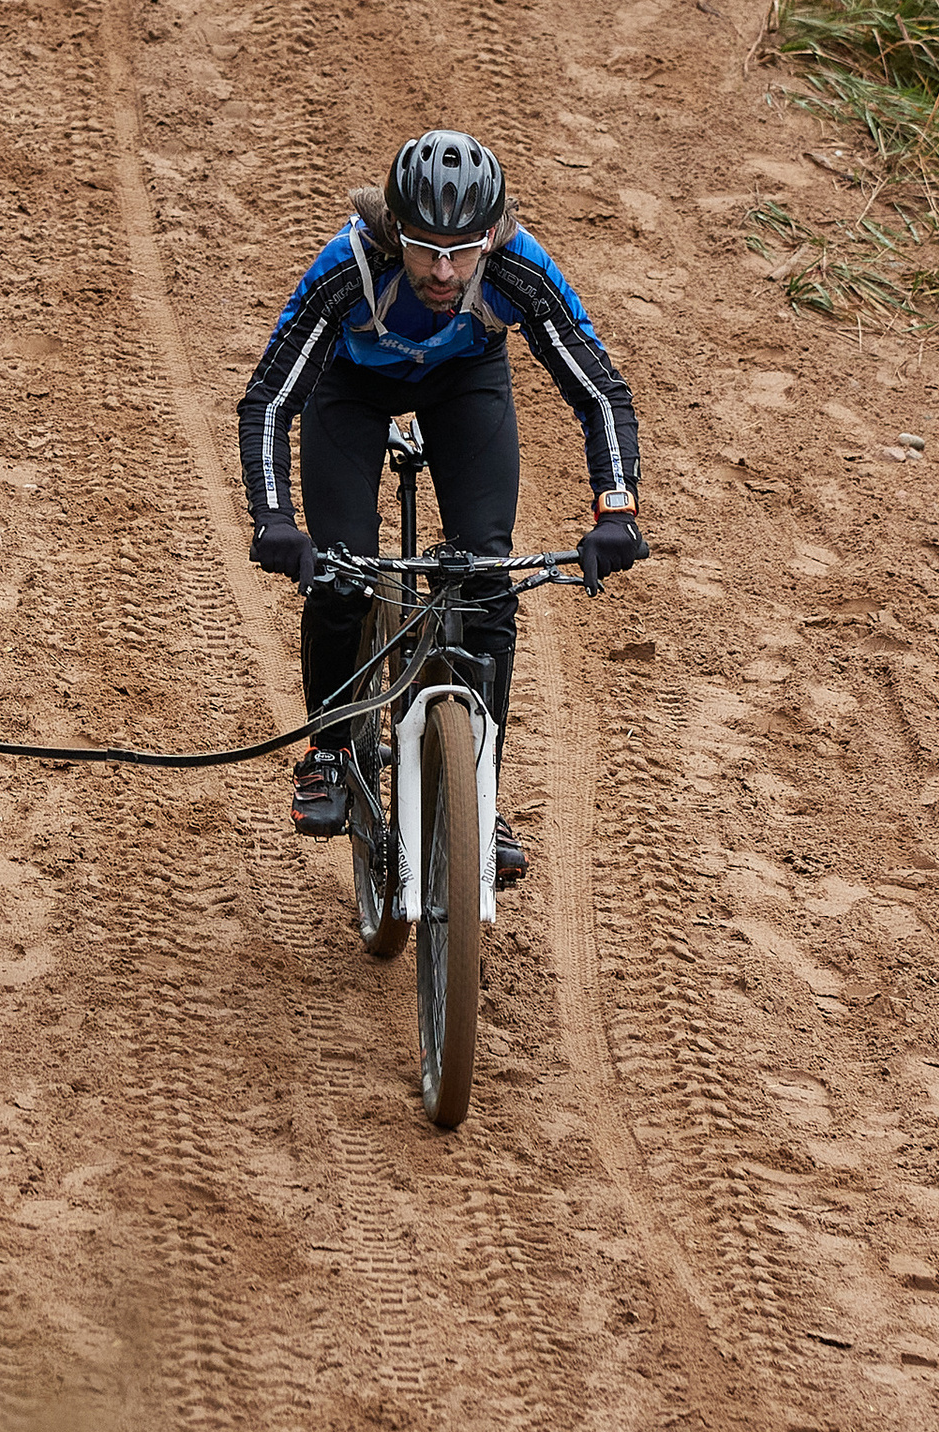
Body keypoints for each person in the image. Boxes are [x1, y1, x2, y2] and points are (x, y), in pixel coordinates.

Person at [237, 128, 645, 883]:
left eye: (463, 251)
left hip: (464, 384)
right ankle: (329, 750)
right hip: (351, 390)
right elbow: (269, 400)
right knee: (341, 578)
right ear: (395, 231)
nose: (446, 271)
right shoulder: (348, 268)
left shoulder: (520, 266)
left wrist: (616, 509)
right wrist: (275, 519)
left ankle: (478, 794)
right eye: (426, 250)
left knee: (486, 583)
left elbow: (599, 389)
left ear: (492, 236)